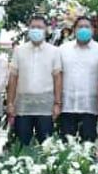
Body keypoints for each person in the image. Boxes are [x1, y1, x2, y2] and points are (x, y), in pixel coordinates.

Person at [7, 15, 62, 145]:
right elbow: (13, 78)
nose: (36, 30)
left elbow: (57, 78)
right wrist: (10, 103)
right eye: (33, 27)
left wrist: (57, 104)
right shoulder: (19, 51)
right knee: (22, 145)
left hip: (45, 107)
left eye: (39, 27)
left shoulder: (54, 51)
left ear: (46, 30)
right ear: (28, 29)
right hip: (23, 107)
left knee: (46, 147)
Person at [59, 16, 98, 141]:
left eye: (87, 27)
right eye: (80, 27)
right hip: (67, 106)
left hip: (90, 107)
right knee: (66, 146)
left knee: (88, 145)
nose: (83, 29)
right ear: (74, 30)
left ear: (93, 30)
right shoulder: (63, 50)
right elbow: (58, 76)